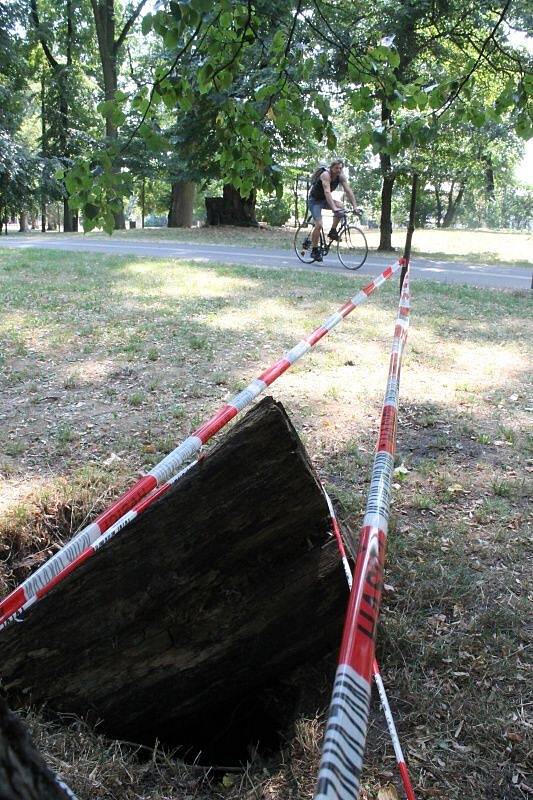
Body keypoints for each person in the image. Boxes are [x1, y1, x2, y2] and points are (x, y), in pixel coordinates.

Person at [308, 158, 359, 262]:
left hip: (325, 200)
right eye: (336, 168)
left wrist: (355, 207)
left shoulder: (341, 177)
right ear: (331, 168)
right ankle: (314, 250)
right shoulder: (326, 175)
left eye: (340, 168)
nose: (339, 170)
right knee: (319, 224)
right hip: (315, 201)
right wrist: (334, 208)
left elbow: (348, 191)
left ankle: (333, 231)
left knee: (341, 206)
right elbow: (327, 192)